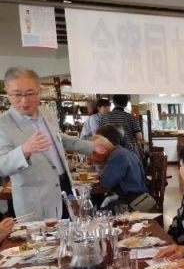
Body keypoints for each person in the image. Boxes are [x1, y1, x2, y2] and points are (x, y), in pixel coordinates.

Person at [0, 66, 106, 219]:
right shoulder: (3, 124)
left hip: (64, 186)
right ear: (7, 91)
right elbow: (2, 166)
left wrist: (91, 146)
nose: (24, 100)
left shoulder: (47, 113)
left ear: (39, 90)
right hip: (36, 199)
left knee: (73, 229)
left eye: (30, 93)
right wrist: (24, 150)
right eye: (17, 94)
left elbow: (59, 139)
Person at [91, 125, 153, 211]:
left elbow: (106, 183)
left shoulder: (117, 155)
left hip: (133, 201)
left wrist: (100, 163)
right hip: (140, 196)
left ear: (106, 141)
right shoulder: (124, 151)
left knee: (99, 212)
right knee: (101, 202)